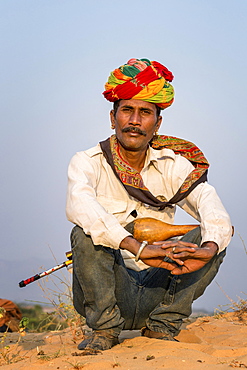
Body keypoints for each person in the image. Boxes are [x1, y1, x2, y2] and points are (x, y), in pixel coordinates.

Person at [66, 58, 232, 351]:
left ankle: (163, 325)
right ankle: (104, 332)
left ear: (158, 122)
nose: (134, 121)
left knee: (217, 233)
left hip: (161, 284)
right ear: (112, 117)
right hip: (112, 292)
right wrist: (139, 248)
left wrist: (208, 249)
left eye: (145, 113)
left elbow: (210, 205)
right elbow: (81, 207)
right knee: (84, 233)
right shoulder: (87, 162)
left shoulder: (174, 166)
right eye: (127, 110)